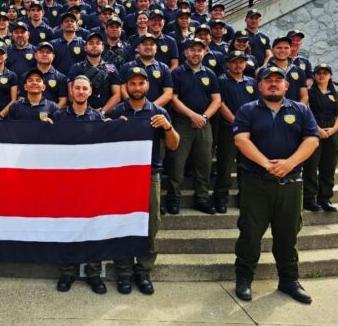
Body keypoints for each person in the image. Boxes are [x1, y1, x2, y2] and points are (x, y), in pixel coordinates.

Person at [233, 66, 319, 304]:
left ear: (286, 85)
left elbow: (312, 140)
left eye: (278, 80)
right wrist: (267, 164)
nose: (273, 83)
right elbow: (241, 140)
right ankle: (244, 279)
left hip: (290, 184)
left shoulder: (301, 110)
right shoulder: (247, 110)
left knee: (288, 235)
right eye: (268, 80)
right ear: (259, 86)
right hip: (256, 183)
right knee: (250, 233)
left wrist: (289, 163)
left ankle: (289, 280)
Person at [108, 66, 180, 295]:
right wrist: (111, 127)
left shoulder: (158, 111)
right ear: (126, 86)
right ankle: (124, 271)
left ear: (148, 85)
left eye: (141, 83)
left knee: (150, 225)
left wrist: (168, 127)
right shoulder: (117, 111)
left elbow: (173, 145)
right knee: (122, 223)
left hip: (150, 175)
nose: (137, 87)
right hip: (122, 177)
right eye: (133, 83)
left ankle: (143, 270)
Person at [53, 76, 108, 294]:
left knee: (93, 227)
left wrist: (118, 128)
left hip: (90, 183)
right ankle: (67, 272)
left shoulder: (98, 117)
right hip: (66, 182)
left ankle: (93, 273)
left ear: (90, 92)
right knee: (67, 227)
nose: (81, 91)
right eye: (77, 88)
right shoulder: (58, 116)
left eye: (85, 88)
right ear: (71, 91)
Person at [166, 38, 221, 215]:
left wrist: (203, 117)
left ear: (204, 52)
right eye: (192, 50)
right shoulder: (177, 73)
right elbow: (173, 99)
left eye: (199, 50)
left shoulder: (210, 74)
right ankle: (174, 198)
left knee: (204, 163)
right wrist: (192, 115)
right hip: (182, 123)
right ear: (186, 52)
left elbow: (217, 99)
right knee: (177, 163)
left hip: (204, 124)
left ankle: (202, 199)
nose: (196, 53)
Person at [213, 51, 259, 213]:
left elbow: (257, 104)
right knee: (225, 165)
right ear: (227, 64)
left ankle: (245, 197)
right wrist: (237, 122)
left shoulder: (252, 82)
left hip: (249, 130)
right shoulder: (221, 81)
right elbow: (220, 104)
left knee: (246, 165)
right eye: (234, 62)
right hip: (228, 128)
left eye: (241, 62)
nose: (238, 65)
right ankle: (221, 198)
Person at [303, 64, 338, 212]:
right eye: (319, 73)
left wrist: (334, 129)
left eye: (325, 73)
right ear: (314, 75)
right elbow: (305, 112)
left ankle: (325, 198)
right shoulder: (309, 92)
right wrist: (317, 129)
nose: (322, 75)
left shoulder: (335, 92)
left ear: (330, 76)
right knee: (311, 165)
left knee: (329, 165)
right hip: (313, 130)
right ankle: (309, 199)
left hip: (331, 131)